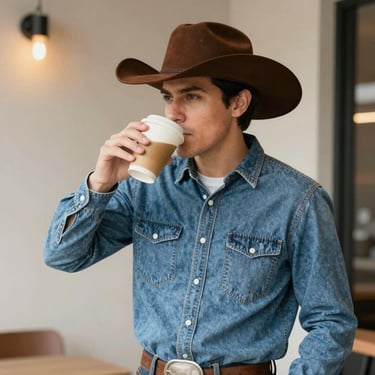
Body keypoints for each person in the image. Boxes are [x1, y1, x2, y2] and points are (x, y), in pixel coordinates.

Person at [44, 22, 357, 375]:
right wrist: (100, 183)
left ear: (238, 102)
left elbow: (332, 321)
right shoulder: (145, 186)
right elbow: (63, 257)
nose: (173, 113)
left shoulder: (298, 200)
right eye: (167, 97)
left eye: (191, 96)